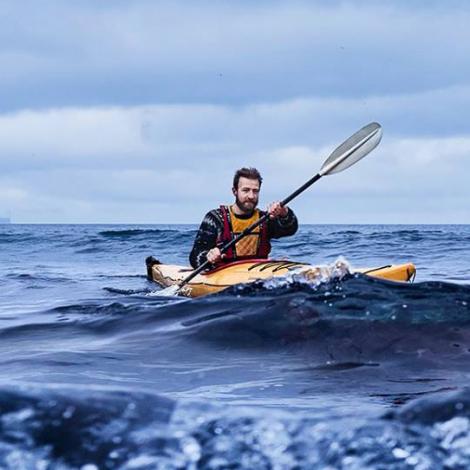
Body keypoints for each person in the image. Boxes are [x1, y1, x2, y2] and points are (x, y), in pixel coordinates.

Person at [189, 167, 298, 269]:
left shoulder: (265, 219)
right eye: (246, 190)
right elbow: (195, 258)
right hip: (223, 278)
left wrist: (284, 213)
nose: (251, 196)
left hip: (257, 278)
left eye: (255, 191)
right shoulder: (215, 219)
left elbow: (290, 229)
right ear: (234, 191)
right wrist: (208, 257)